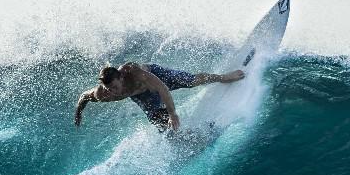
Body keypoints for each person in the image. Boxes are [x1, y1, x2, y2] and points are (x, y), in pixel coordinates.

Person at [73, 61, 245, 132]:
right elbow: (84, 97)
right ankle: (187, 138)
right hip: (143, 97)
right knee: (162, 126)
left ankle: (223, 77)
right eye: (110, 89)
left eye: (115, 87)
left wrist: (173, 113)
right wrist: (78, 113)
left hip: (157, 78)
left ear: (120, 77)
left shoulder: (134, 72)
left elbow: (162, 89)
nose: (114, 92)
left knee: (191, 81)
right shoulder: (103, 93)